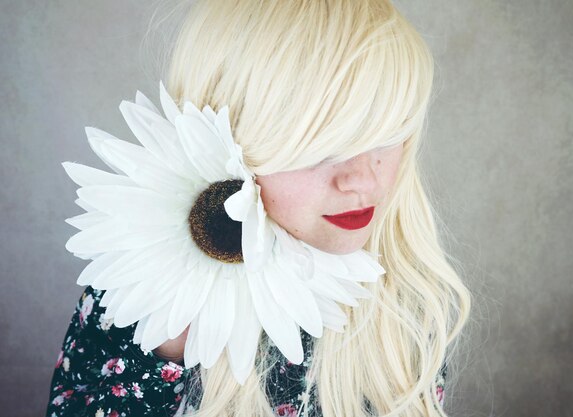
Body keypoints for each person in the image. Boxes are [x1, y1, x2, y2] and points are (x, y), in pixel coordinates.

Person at [46, 0, 471, 416]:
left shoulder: (406, 302)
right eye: (320, 147)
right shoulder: (137, 293)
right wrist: (167, 346)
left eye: (386, 134)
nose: (363, 180)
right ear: (223, 142)